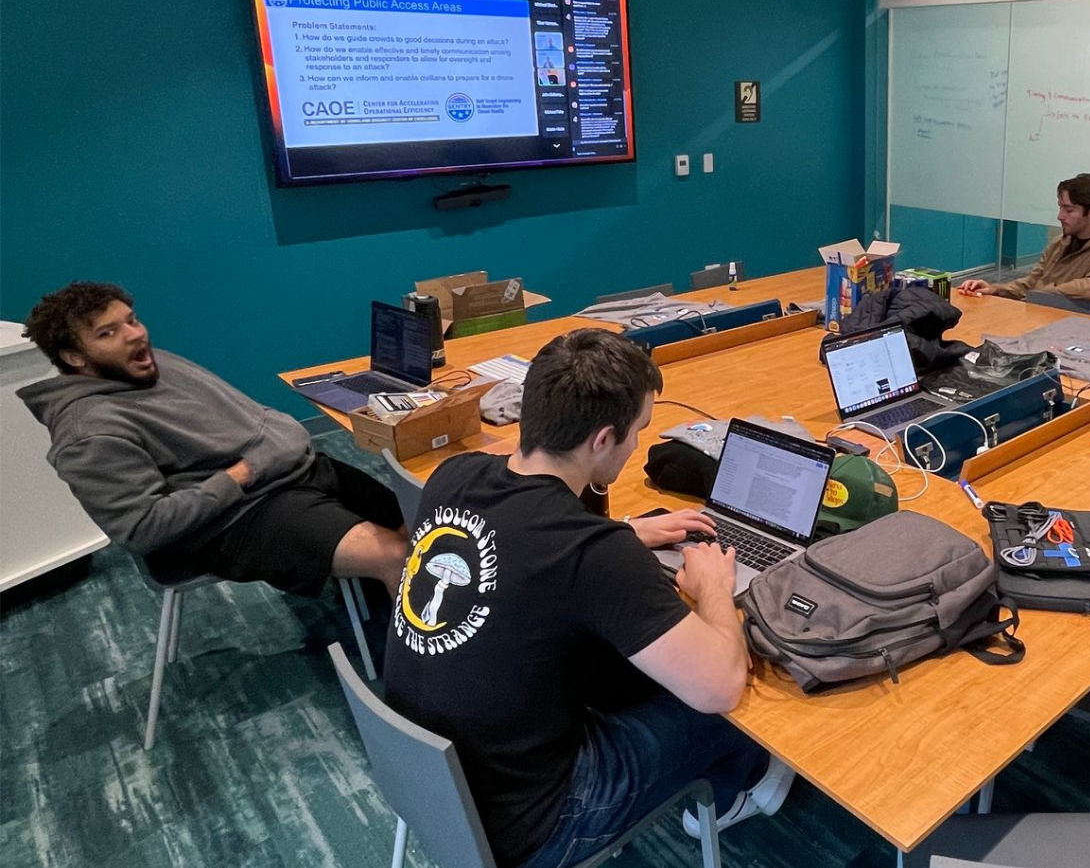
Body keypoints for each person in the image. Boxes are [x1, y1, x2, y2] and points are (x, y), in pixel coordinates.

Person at [381, 328, 790, 868]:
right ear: (602, 440)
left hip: (432, 780)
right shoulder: (593, 555)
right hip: (538, 825)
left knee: (621, 664)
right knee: (728, 706)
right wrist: (713, 589)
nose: (639, 444)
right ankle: (746, 785)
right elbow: (721, 687)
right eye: (637, 431)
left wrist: (625, 528)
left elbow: (530, 545)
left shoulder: (453, 475)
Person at [20, 281, 407, 595]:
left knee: (419, 526)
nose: (135, 336)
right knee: (396, 554)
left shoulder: (146, 365)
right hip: (234, 518)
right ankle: (418, 677)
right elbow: (142, 528)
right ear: (74, 358)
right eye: (109, 333)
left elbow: (246, 416)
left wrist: (272, 450)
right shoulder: (87, 433)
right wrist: (244, 473)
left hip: (290, 472)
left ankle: (373, 598)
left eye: (132, 321)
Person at [957, 173, 1090, 303]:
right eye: (1060, 208)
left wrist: (1040, 294)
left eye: (1069, 210)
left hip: (1067, 326)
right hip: (1039, 312)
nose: (1060, 216)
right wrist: (995, 289)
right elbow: (1032, 282)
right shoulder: (1061, 242)